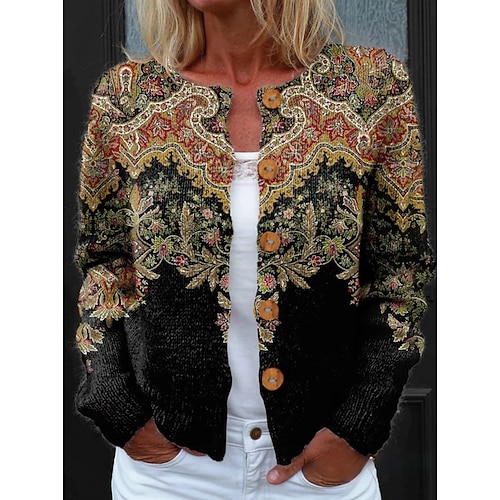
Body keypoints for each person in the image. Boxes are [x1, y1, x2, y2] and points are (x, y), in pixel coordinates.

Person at [73, 0, 436, 498]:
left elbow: (400, 273)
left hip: (317, 471)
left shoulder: (370, 90)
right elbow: (106, 265)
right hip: (170, 472)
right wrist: (119, 407)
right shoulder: (127, 99)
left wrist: (357, 426)